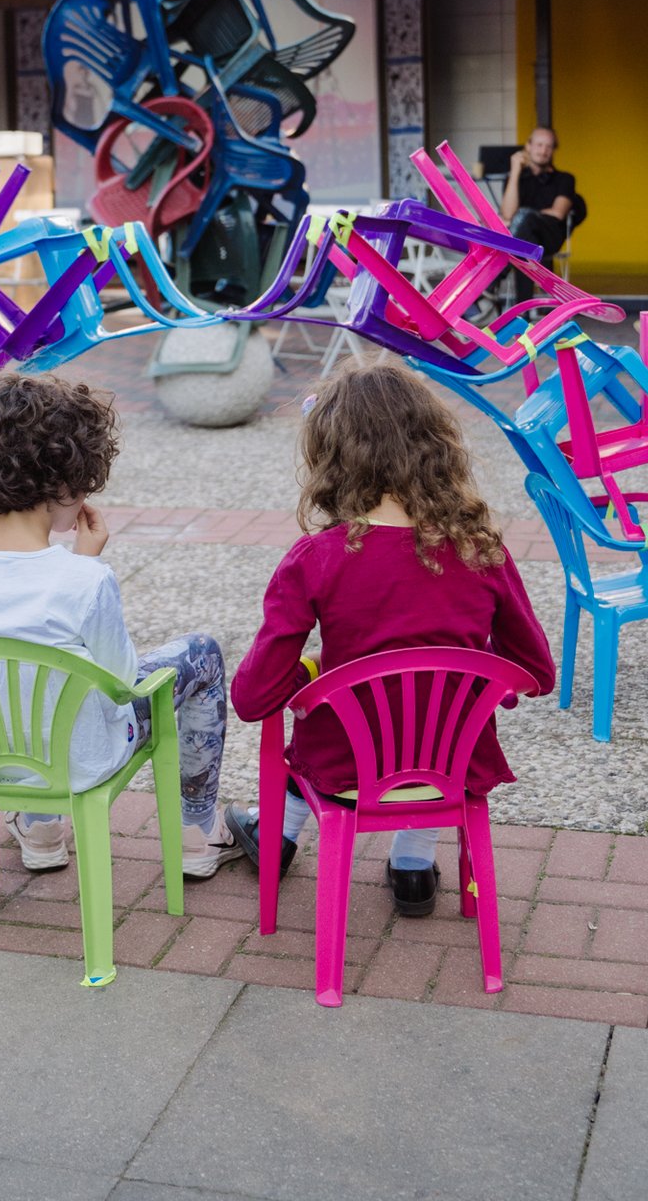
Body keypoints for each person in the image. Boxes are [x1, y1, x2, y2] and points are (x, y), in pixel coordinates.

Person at [0, 371, 245, 879]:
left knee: (28, 687)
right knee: (201, 652)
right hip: (82, 761)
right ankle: (197, 835)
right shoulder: (81, 578)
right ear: (70, 482)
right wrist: (89, 563)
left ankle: (41, 827)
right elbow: (123, 685)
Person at [224, 363, 555, 917]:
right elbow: (537, 672)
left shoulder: (317, 559)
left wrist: (308, 670)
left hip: (344, 766)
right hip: (454, 764)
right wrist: (472, 676)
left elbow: (252, 699)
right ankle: (412, 870)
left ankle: (276, 837)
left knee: (310, 729)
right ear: (435, 448)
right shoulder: (481, 550)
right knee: (426, 727)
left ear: (333, 459)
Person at [500, 126, 576, 271]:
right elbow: (508, 213)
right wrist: (515, 172)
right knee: (523, 236)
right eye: (539, 145)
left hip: (548, 239)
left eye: (549, 146)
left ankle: (494, 279)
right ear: (528, 146)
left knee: (522, 220)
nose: (543, 151)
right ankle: (521, 293)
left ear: (553, 150)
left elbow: (558, 212)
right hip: (523, 240)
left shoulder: (565, 179)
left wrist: (519, 217)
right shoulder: (515, 179)